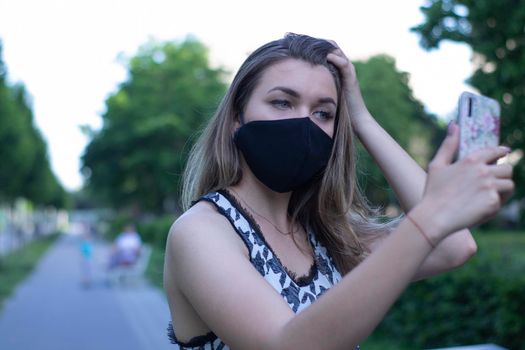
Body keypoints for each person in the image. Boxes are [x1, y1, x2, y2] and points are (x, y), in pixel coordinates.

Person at [163, 33, 515, 349]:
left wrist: (360, 118)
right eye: (282, 103)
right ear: (237, 118)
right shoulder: (201, 232)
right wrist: (430, 216)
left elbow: (455, 245)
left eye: (323, 113)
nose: (304, 123)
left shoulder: (329, 237)